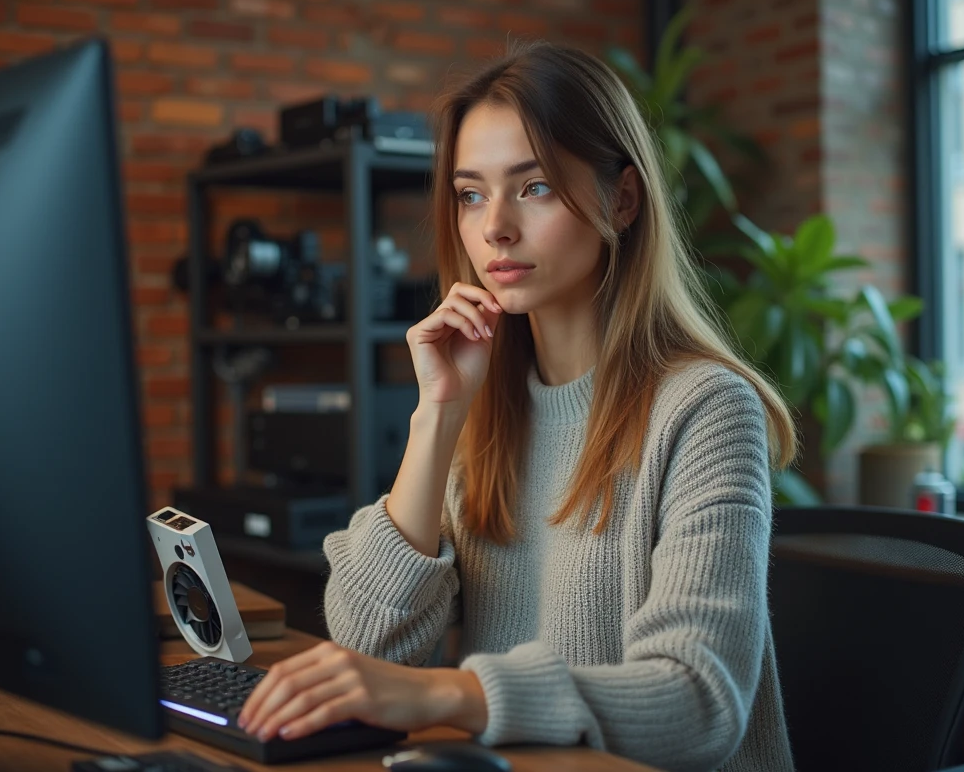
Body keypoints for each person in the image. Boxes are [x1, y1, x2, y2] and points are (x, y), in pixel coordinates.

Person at [237, 41, 798, 772]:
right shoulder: (488, 408)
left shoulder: (707, 410)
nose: (494, 227)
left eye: (533, 187)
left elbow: (696, 704)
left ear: (622, 200)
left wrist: (448, 695)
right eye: (471, 194)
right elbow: (370, 644)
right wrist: (438, 415)